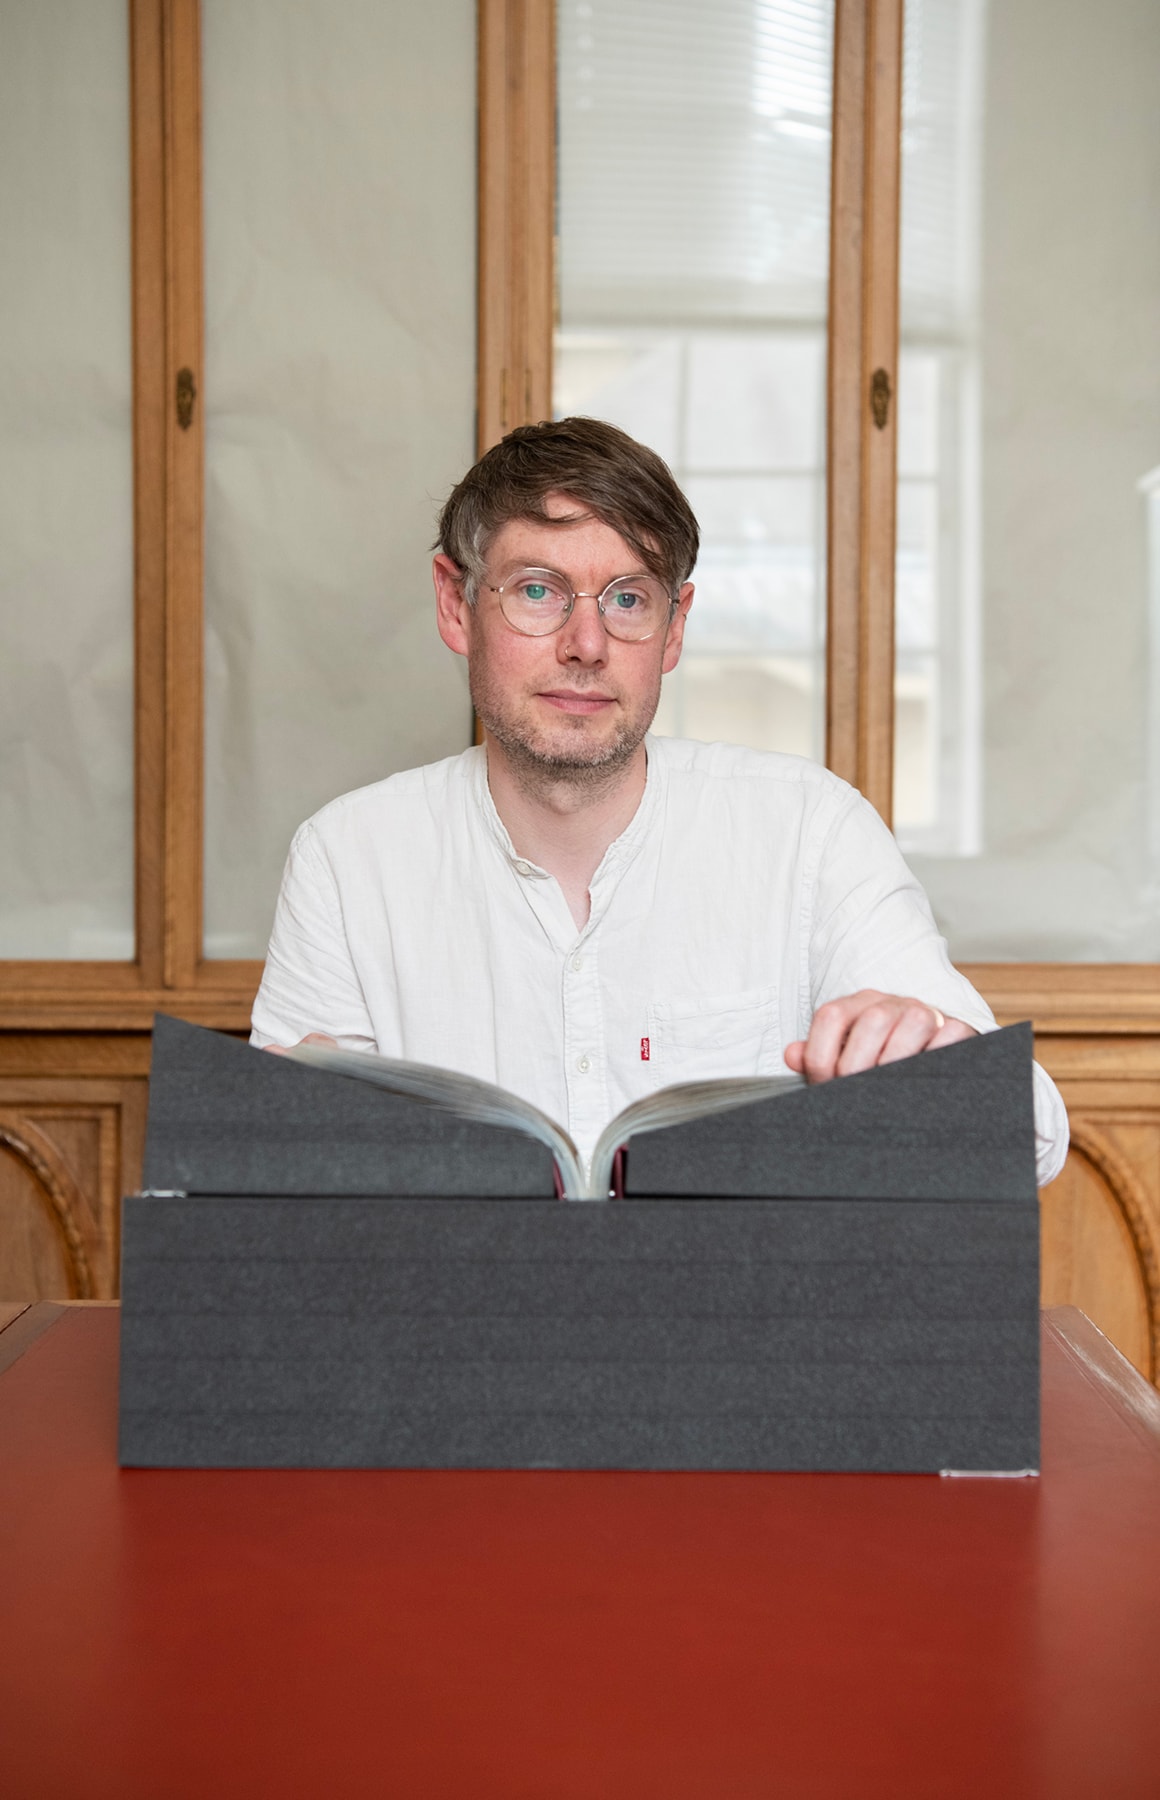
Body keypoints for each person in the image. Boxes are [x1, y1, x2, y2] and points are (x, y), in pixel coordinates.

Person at [251, 417, 1068, 1183]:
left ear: (675, 629)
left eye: (628, 599)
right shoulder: (345, 859)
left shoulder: (810, 831)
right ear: (454, 602)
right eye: (538, 591)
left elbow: (1027, 1138)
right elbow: (275, 1198)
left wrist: (942, 1058)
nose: (586, 644)